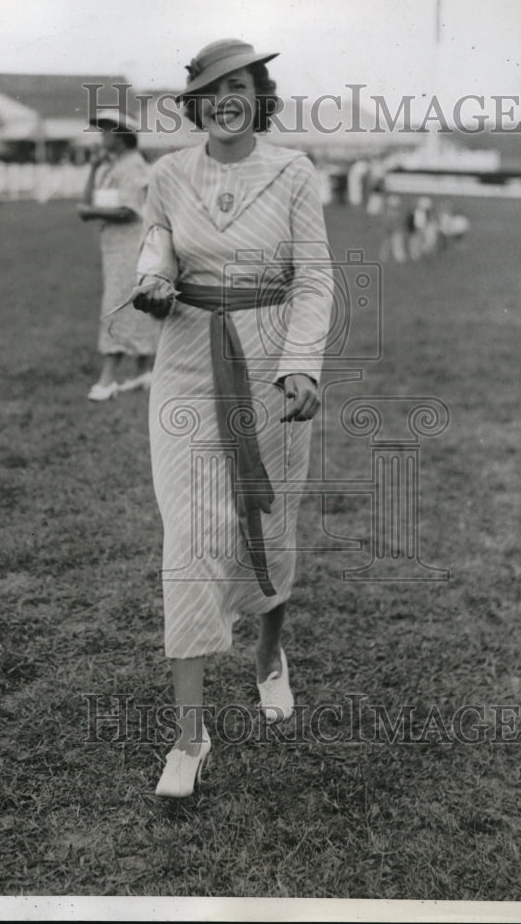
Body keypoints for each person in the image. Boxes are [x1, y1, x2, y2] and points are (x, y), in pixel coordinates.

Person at [132, 39, 335, 797]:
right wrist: (151, 280)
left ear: (260, 96)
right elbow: (157, 247)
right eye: (211, 89)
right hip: (188, 359)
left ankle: (269, 655)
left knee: (267, 523)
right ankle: (190, 736)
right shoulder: (167, 173)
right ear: (194, 102)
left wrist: (303, 362)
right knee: (187, 537)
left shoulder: (291, 171)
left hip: (271, 357)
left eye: (239, 87)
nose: (225, 99)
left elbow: (314, 277)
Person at [77, 109, 160, 401]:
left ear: (123, 137)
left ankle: (108, 378)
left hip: (131, 246)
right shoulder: (114, 167)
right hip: (115, 248)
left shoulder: (133, 167)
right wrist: (93, 169)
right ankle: (142, 370)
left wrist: (91, 212)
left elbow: (129, 209)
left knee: (116, 304)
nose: (102, 136)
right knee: (129, 303)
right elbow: (85, 204)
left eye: (107, 131)